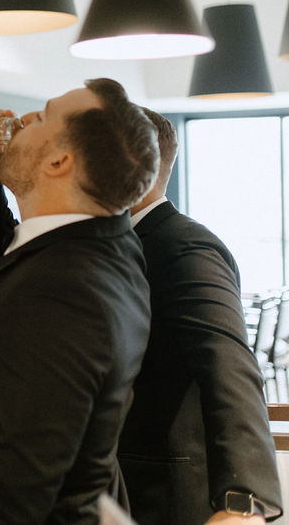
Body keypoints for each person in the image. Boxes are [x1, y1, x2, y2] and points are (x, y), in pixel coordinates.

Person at [0, 78, 158, 524]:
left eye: (41, 116)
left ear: (60, 160)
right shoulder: (101, 243)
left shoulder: (66, 293)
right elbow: (9, 259)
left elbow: (5, 495)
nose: (21, 120)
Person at [118, 108, 281, 524]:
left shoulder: (183, 246)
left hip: (160, 493)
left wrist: (245, 498)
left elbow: (228, 366)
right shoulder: (110, 245)